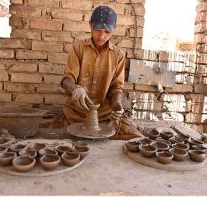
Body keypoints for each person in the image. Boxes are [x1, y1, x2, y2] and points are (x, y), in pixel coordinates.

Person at [51, 5, 142, 139]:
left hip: (105, 115)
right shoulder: (78, 48)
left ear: (113, 30)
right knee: (56, 136)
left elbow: (116, 88)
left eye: (107, 32)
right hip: (76, 112)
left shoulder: (118, 55)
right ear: (90, 25)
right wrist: (75, 88)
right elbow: (67, 80)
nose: (101, 36)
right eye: (97, 30)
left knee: (136, 137)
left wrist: (117, 106)